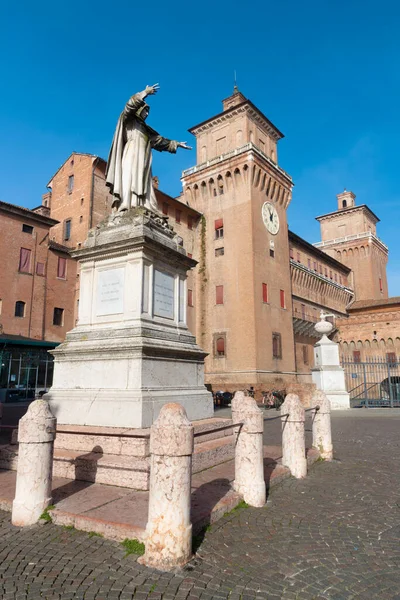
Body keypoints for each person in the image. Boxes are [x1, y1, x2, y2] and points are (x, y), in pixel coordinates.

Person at [106, 84, 191, 212]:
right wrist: (144, 93)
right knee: (129, 177)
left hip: (144, 160)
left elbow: (159, 141)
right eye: (145, 111)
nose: (146, 114)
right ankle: (126, 204)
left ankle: (140, 205)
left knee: (142, 181)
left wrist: (176, 144)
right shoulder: (128, 120)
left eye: (148, 112)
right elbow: (129, 106)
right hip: (130, 154)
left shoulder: (146, 130)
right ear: (139, 110)